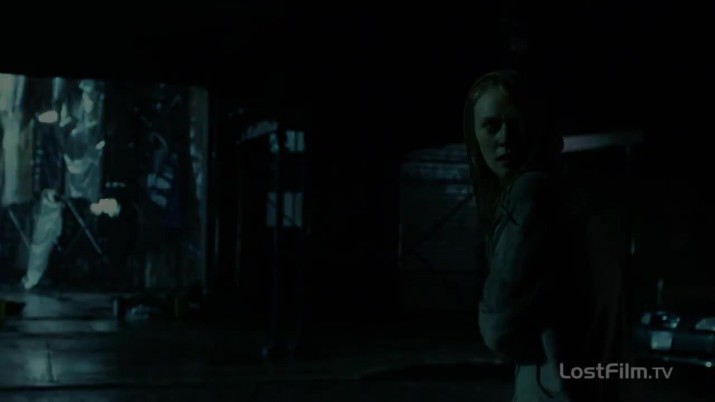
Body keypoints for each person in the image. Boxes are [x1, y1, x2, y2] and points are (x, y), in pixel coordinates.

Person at [463, 70, 629, 401]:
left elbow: (500, 326)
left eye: (516, 123)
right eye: (492, 126)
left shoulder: (530, 194)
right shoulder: (576, 192)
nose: (505, 137)